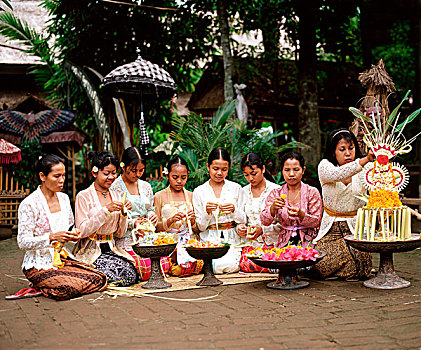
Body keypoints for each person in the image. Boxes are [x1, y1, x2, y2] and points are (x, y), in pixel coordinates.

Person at [15, 155, 107, 301]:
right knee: (68, 288)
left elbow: (69, 229)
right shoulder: (29, 204)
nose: (62, 180)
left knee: (99, 278)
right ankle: (41, 283)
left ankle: (51, 282)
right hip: (39, 265)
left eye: (63, 175)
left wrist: (73, 235)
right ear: (42, 176)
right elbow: (23, 242)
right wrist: (51, 237)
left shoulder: (64, 199)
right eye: (57, 176)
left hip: (62, 259)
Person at [312, 128, 375, 280]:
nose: (348, 153)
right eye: (342, 149)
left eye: (351, 148)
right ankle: (349, 269)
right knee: (320, 265)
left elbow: (379, 185)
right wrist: (365, 159)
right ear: (333, 152)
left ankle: (349, 269)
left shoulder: (367, 168)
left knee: (363, 265)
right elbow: (339, 174)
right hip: (330, 230)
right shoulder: (325, 166)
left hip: (356, 229)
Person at [73, 151, 139, 286]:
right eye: (106, 173)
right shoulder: (83, 196)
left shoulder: (116, 196)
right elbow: (81, 231)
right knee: (124, 275)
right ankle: (88, 276)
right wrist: (105, 211)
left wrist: (124, 214)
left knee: (133, 273)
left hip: (111, 248)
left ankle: (92, 278)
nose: (111, 177)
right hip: (90, 250)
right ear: (94, 173)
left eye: (114, 173)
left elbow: (120, 234)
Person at [110, 146, 170, 280]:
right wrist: (133, 223)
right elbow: (114, 220)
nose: (137, 174)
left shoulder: (145, 186)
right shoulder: (115, 187)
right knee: (143, 267)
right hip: (126, 237)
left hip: (146, 235)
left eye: (141, 170)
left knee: (165, 265)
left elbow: (150, 209)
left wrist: (151, 217)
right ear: (123, 167)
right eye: (133, 170)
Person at [193, 148, 246, 274]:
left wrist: (234, 210)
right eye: (215, 169)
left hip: (232, 238)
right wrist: (207, 213)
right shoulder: (199, 191)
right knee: (214, 267)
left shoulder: (236, 188)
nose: (219, 173)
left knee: (231, 265)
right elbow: (200, 227)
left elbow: (244, 219)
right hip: (209, 239)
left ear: (229, 169)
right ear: (208, 167)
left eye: (224, 169)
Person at [261, 152, 323, 249]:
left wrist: (301, 215)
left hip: (310, 242)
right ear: (282, 171)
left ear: (303, 170)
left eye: (296, 170)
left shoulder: (312, 192)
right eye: (287, 170)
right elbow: (264, 221)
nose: (291, 174)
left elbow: (317, 221)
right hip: (284, 243)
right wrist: (272, 208)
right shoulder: (276, 193)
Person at [154, 156, 203, 277]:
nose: (179, 181)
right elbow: (154, 227)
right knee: (174, 266)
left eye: (183, 177)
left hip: (189, 241)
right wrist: (170, 221)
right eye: (175, 177)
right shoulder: (159, 196)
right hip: (169, 243)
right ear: (167, 176)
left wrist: (192, 221)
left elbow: (197, 229)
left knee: (200, 264)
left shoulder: (192, 196)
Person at [237, 153, 281, 273]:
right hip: (252, 243)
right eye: (246, 175)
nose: (250, 178)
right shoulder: (243, 191)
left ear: (263, 169)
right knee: (247, 264)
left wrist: (263, 230)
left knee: (271, 263)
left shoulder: (276, 190)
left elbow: (284, 224)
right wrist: (240, 228)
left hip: (272, 241)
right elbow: (241, 220)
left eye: (254, 173)